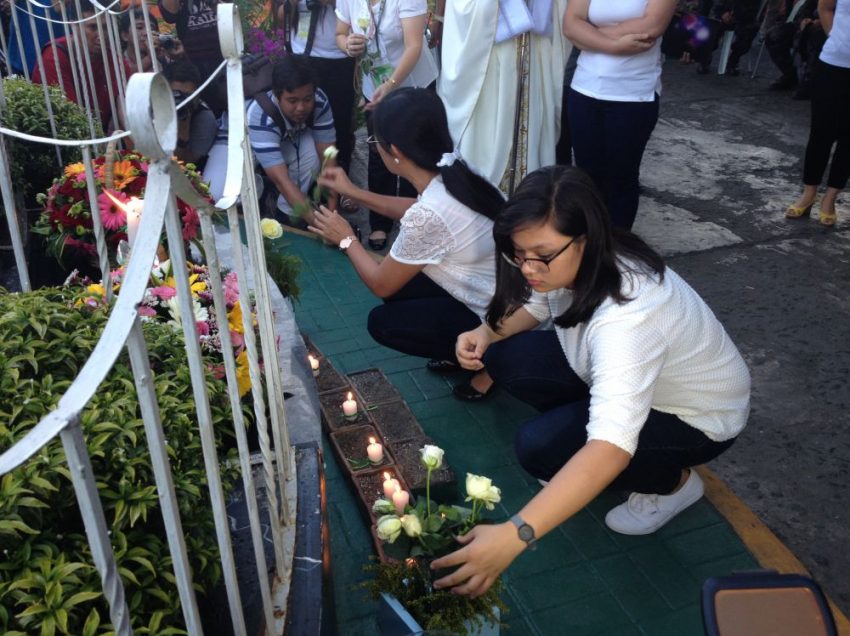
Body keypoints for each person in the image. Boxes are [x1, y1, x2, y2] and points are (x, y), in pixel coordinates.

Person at [431, 166, 751, 596]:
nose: (527, 268)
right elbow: (540, 307)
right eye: (516, 252)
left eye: (540, 255)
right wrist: (485, 333)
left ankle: (674, 485)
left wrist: (516, 535)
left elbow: (611, 448)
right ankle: (574, 448)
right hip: (628, 377)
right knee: (507, 359)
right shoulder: (579, 259)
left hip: (697, 417)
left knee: (540, 448)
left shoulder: (630, 318)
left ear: (585, 237)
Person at [308, 88, 507, 401]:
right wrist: (355, 192)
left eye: (376, 144)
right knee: (404, 288)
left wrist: (345, 237)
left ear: (395, 151)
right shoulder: (454, 169)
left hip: (496, 313)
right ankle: (463, 349)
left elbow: (380, 284)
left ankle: (491, 359)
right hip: (499, 290)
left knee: (384, 322)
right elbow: (415, 206)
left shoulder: (431, 213)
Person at [563, 0, 678, 230]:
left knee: (621, 178)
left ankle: (618, 250)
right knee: (587, 176)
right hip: (585, 89)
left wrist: (590, 36)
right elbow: (570, 24)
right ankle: (590, 243)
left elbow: (651, 26)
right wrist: (613, 45)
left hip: (633, 95)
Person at [334, 0, 438, 250]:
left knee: (417, 154)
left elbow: (414, 46)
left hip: (413, 85)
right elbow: (340, 32)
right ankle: (380, 222)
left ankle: (419, 220)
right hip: (376, 88)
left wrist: (390, 86)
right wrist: (347, 45)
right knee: (378, 151)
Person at [438, 0, 570, 193]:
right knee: (489, 125)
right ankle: (486, 199)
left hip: (533, 50)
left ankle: (528, 197)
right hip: (489, 59)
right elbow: (462, 7)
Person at [278, 0, 357, 199]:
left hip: (337, 57)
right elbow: (281, 16)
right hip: (300, 54)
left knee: (339, 123)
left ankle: (341, 186)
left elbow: (357, 8)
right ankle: (305, 183)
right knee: (301, 117)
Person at [246, 55, 337, 226]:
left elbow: (329, 159)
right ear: (276, 95)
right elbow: (282, 181)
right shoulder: (260, 116)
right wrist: (323, 228)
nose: (301, 108)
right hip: (246, 145)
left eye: (307, 99)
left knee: (313, 155)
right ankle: (264, 190)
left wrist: (333, 215)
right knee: (230, 192)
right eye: (292, 101)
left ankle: (287, 212)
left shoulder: (319, 100)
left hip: (286, 138)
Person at [785, 0, 849, 226]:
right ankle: (809, 193)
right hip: (833, 64)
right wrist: (835, 36)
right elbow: (825, 6)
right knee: (821, 132)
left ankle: (830, 198)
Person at [31, 0, 130, 130]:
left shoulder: (115, 61)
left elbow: (126, 111)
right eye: (93, 27)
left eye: (105, 28)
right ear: (74, 25)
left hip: (101, 140)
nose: (101, 35)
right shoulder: (54, 56)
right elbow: (70, 117)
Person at [164, 59, 217, 170]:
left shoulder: (204, 118)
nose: (183, 102)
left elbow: (183, 163)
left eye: (188, 96)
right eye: (177, 95)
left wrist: (183, 135)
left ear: (198, 95)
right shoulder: (154, 106)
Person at [693, 0, 761, 75]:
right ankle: (705, 57)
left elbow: (755, 8)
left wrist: (735, 13)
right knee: (710, 24)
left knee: (750, 29)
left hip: (744, 14)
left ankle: (734, 60)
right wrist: (722, 12)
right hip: (721, 9)